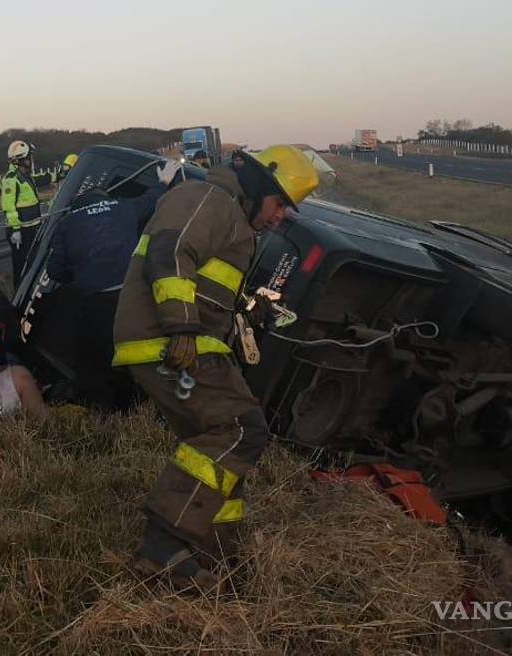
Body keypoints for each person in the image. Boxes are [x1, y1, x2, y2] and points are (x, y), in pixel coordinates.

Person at [112, 145, 319, 591]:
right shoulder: (206, 200)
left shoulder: (231, 219)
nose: (281, 216)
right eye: (280, 203)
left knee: (219, 443)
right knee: (240, 430)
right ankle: (163, 546)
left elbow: (204, 284)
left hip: (183, 339)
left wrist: (245, 311)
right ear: (258, 187)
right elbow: (168, 253)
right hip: (167, 340)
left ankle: (215, 554)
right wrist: (181, 327)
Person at [46, 158, 183, 410]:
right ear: (104, 197)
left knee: (95, 363)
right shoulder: (122, 207)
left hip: (94, 303)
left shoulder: (67, 223)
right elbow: (151, 201)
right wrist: (164, 181)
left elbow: (54, 269)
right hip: (130, 298)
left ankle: (105, 412)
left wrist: (80, 275)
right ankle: (142, 403)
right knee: (138, 355)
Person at [1, 140, 53, 284]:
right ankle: (19, 297)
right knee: (21, 268)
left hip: (32, 228)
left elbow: (43, 179)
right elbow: (9, 207)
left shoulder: (27, 177)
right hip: (21, 232)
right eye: (29, 157)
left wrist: (61, 174)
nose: (31, 160)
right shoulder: (11, 180)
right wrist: (15, 230)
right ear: (21, 160)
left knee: (32, 265)